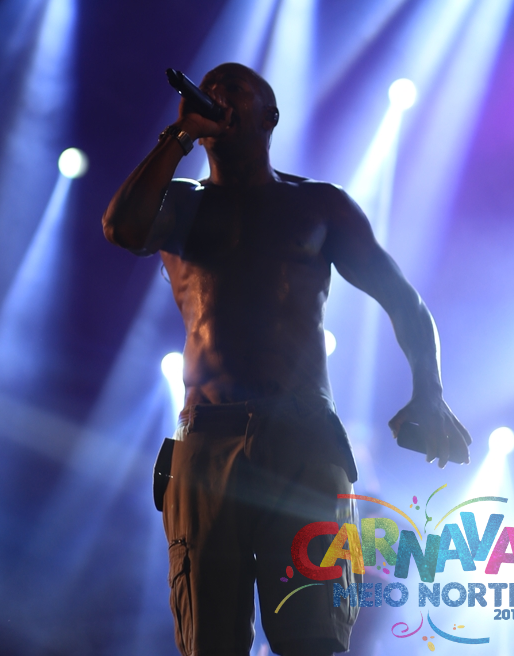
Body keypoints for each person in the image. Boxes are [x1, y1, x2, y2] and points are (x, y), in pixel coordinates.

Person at [103, 62, 471, 656]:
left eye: (233, 90)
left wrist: (429, 392)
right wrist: (178, 136)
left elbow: (403, 300)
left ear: (269, 116)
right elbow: (121, 229)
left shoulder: (319, 205)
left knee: (314, 635)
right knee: (209, 640)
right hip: (207, 438)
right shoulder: (179, 203)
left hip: (303, 438)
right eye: (209, 90)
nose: (216, 96)